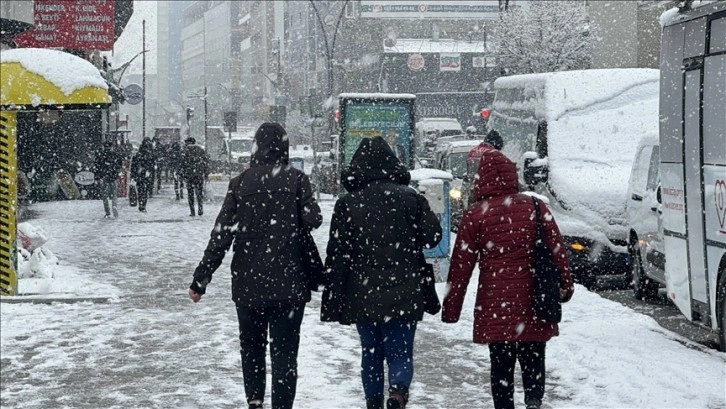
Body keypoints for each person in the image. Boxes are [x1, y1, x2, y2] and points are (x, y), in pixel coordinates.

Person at [188, 122, 322, 409]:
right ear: (284, 147)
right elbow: (314, 220)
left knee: (251, 347)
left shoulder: (240, 184)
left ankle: (255, 402)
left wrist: (201, 279)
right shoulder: (297, 180)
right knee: (285, 352)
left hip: (249, 281)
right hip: (290, 281)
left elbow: (221, 235)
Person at [441, 147, 574, 409]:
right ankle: (534, 400)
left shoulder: (475, 215)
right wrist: (565, 286)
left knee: (501, 364)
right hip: (534, 299)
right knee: (533, 355)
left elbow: (460, 268)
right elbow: (557, 250)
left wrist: (451, 308)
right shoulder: (536, 207)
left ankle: (504, 405)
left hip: (495, 304)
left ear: (483, 178)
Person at [321, 136, 442, 409]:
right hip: (405, 288)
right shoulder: (410, 198)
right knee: (400, 350)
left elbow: (337, 253)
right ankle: (398, 392)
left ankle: (373, 401)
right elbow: (433, 236)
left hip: (363, 292)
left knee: (371, 352)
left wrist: (333, 293)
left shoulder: (348, 204)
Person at [93, 140, 123, 218]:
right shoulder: (115, 155)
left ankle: (107, 212)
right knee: (114, 194)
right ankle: (114, 205)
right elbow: (119, 165)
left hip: (104, 176)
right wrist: (118, 173)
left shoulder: (100, 156)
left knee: (105, 195)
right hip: (113, 176)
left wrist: (97, 177)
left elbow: (97, 167)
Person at [180, 137, 209, 216]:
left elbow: (182, 164)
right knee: (199, 192)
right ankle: (200, 208)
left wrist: (182, 175)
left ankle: (192, 211)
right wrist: (206, 173)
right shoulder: (201, 150)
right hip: (199, 174)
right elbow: (205, 162)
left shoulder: (185, 151)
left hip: (189, 175)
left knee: (190, 193)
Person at [130, 137, 155, 213]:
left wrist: (133, 176)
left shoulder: (139, 154)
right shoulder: (149, 153)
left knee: (141, 190)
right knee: (144, 190)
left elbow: (133, 166)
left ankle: (141, 204)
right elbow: (152, 164)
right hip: (145, 175)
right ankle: (143, 205)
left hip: (139, 175)